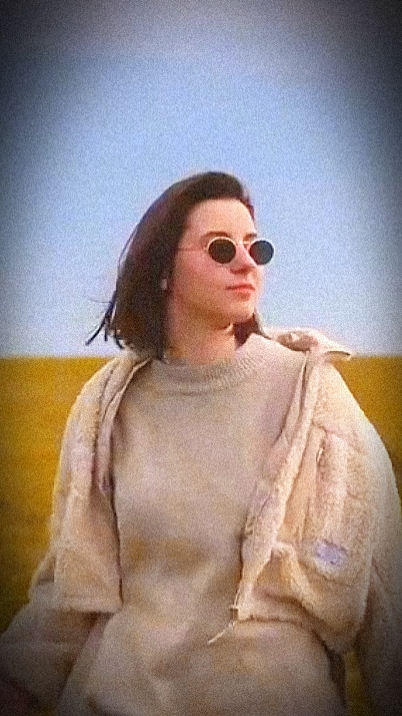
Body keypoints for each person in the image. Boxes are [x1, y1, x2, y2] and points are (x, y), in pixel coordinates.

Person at [0, 171, 401, 716]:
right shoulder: (108, 404)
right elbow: (70, 590)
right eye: (221, 248)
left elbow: (387, 593)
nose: (246, 263)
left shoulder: (312, 396)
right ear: (164, 270)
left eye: (256, 247)